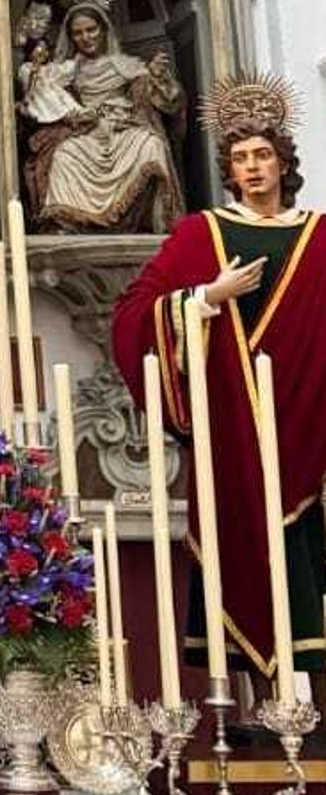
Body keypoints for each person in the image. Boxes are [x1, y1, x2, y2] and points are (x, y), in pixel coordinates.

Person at [111, 71, 326, 694]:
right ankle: (256, 703)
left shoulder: (319, 235)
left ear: (284, 162)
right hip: (236, 427)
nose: (253, 168)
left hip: (310, 423)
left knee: (306, 556)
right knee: (247, 551)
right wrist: (206, 296)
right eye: (240, 159)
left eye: (263, 155)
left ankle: (306, 703)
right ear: (228, 170)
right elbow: (133, 316)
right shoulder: (201, 233)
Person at [21, 0, 182, 233]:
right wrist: (29, 53)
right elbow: (37, 87)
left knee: (152, 144)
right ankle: (71, 226)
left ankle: (151, 223)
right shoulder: (69, 69)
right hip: (89, 131)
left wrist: (157, 76)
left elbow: (166, 102)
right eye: (78, 33)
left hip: (125, 128)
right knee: (63, 155)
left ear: (104, 29)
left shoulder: (128, 66)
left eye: (91, 30)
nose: (86, 37)